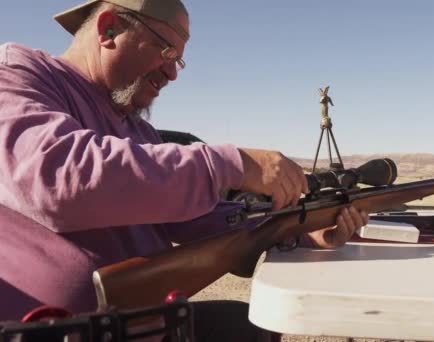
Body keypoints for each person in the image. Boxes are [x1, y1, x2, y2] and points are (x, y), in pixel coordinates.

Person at [0, 0, 369, 340]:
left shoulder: (138, 129)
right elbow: (58, 180)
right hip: (52, 331)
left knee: (252, 326)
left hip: (146, 325)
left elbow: (195, 218)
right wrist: (233, 164)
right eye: (167, 51)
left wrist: (305, 232)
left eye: (179, 61)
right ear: (108, 29)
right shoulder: (18, 72)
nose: (173, 74)